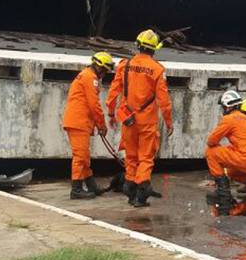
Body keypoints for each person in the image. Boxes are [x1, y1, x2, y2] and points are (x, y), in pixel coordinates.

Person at [106, 29, 174, 208]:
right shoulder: (157, 69)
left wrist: (111, 113)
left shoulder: (124, 65)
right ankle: (142, 192)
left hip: (127, 119)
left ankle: (129, 189)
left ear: (137, 45)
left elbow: (113, 91)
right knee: (145, 158)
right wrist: (168, 122)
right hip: (146, 122)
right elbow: (164, 100)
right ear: (154, 49)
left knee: (131, 156)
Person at [205, 90, 246, 215]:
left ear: (227, 106)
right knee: (231, 170)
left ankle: (223, 193)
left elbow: (211, 141)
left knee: (211, 152)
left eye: (223, 107)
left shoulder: (229, 119)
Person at [62, 51, 115, 199]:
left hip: (78, 121)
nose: (105, 74)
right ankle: (76, 189)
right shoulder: (90, 78)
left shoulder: (85, 75)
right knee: (80, 157)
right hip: (79, 122)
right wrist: (101, 125)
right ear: (100, 67)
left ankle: (91, 186)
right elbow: (94, 105)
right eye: (105, 70)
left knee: (84, 156)